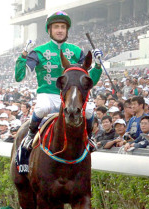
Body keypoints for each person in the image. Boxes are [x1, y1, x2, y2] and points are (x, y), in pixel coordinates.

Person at [15, 11, 103, 164]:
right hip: (48, 94)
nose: (60, 30)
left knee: (89, 109)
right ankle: (30, 135)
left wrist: (98, 65)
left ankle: (89, 137)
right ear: (49, 30)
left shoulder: (76, 51)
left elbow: (90, 82)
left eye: (63, 27)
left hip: (71, 96)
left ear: (67, 30)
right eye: (56, 27)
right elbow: (19, 76)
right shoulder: (39, 52)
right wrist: (24, 55)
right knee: (42, 108)